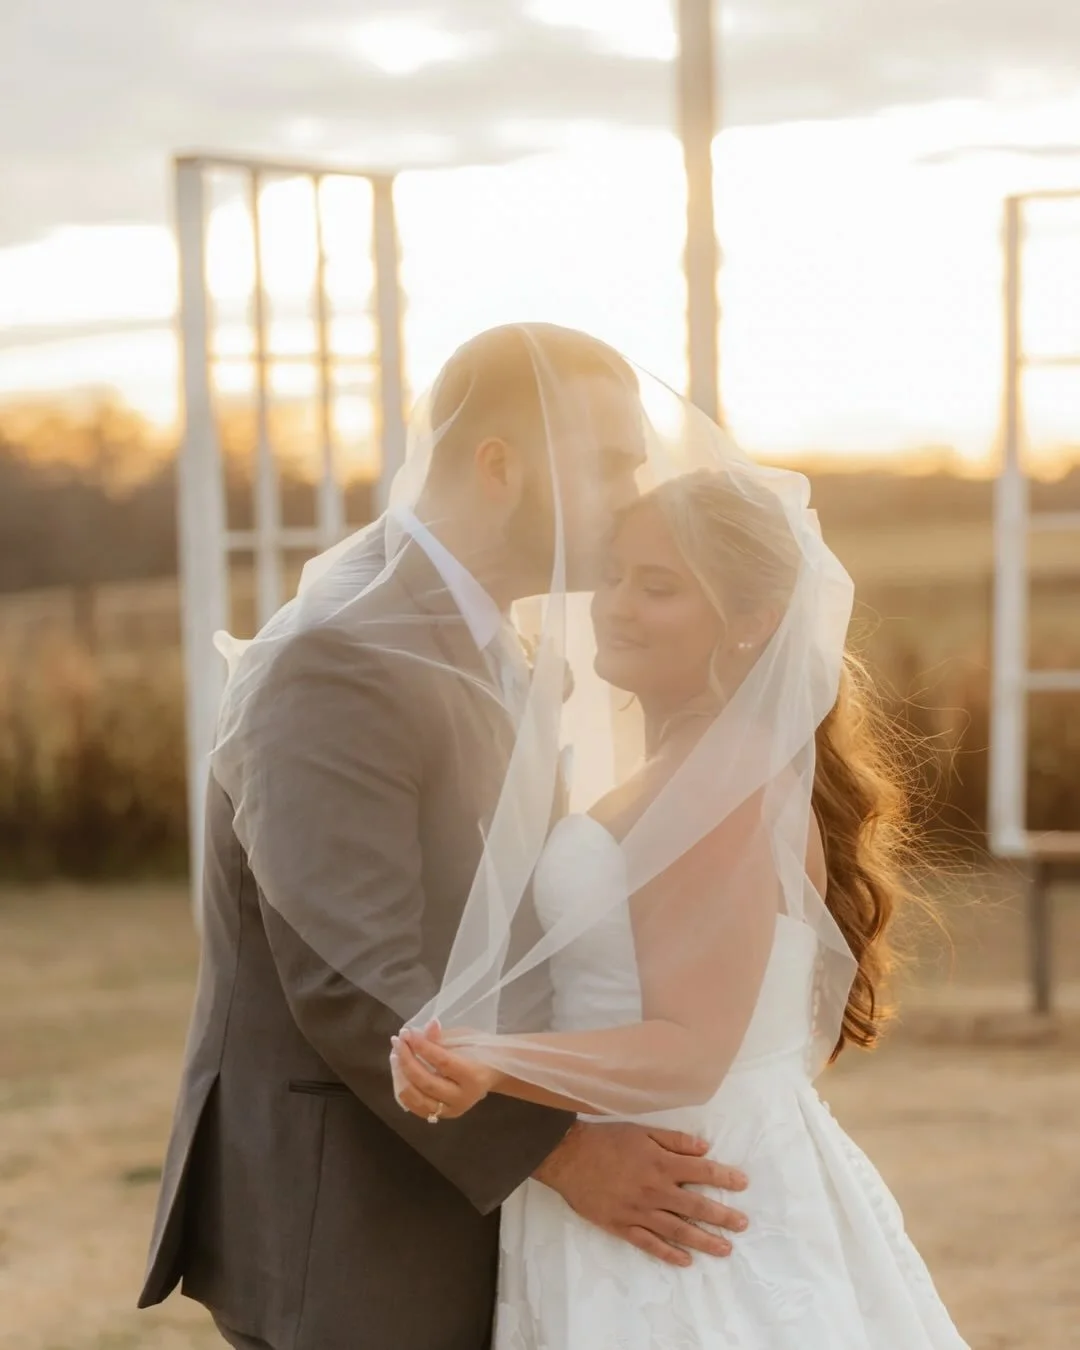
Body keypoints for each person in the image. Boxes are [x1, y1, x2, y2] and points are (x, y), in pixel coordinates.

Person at [138, 324, 753, 1350]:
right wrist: (562, 1154)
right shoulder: (336, 657)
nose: (634, 492)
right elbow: (353, 978)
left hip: (453, 1191)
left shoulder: (487, 634)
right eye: (608, 462)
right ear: (500, 466)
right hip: (355, 1218)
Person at [393, 463, 971, 1346]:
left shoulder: (726, 783)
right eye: (614, 574)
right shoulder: (681, 768)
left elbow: (689, 1051)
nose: (615, 604)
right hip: (640, 1174)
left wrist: (482, 1060)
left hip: (686, 1185)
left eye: (657, 586)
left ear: (751, 624)